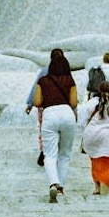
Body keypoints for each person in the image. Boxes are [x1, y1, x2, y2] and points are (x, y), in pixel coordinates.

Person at [32, 48, 79, 202]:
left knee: (50, 154)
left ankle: (53, 183)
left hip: (50, 114)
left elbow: (37, 102)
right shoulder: (70, 81)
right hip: (67, 114)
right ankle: (61, 188)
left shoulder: (43, 81)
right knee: (64, 154)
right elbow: (73, 102)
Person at [80, 80, 109, 195]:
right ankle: (104, 193)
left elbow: (83, 119)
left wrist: (86, 132)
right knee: (107, 165)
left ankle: (97, 187)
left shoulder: (91, 103)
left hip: (92, 135)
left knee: (95, 162)